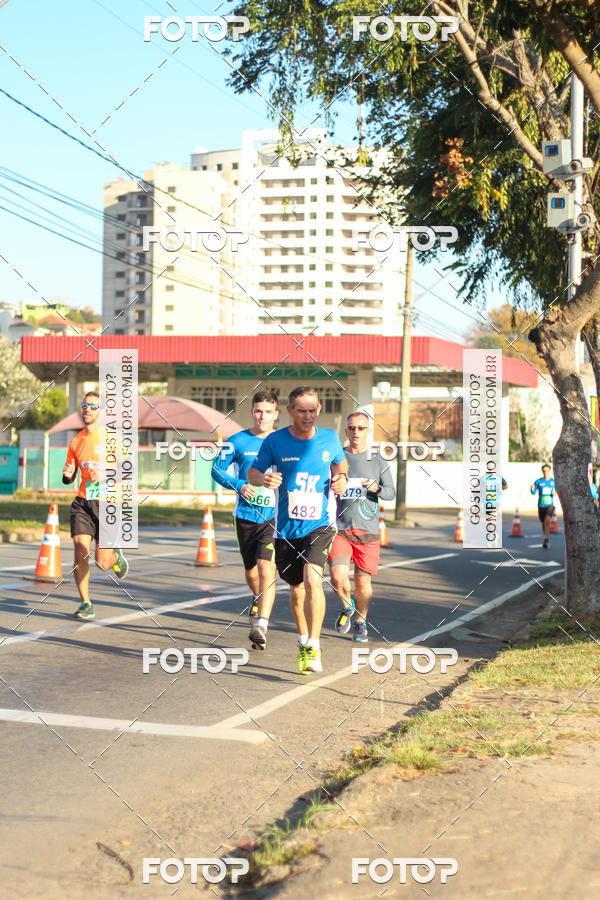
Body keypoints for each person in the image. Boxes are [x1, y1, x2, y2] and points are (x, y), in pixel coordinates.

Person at [248, 386, 348, 674]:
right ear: (290, 411)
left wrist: (340, 478)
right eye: (302, 410)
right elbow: (253, 472)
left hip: (321, 524)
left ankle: (314, 647)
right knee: (296, 590)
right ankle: (303, 641)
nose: (308, 416)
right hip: (286, 529)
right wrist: (264, 478)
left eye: (313, 410)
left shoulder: (329, 438)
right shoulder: (275, 441)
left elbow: (340, 465)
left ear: (319, 410)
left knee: (313, 579)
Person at [211, 391, 279, 650]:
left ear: (276, 414)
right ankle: (257, 596)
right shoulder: (237, 441)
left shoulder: (285, 441)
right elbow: (216, 469)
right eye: (258, 411)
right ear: (252, 412)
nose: (263, 416)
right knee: (251, 571)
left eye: (268, 411)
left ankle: (261, 624)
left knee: (266, 569)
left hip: (274, 517)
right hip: (246, 516)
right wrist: (239, 484)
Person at [328, 411, 395, 643]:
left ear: (368, 431)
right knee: (337, 576)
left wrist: (376, 488)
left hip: (368, 530)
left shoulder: (378, 460)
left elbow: (390, 493)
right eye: (351, 428)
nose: (356, 432)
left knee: (362, 582)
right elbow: (324, 487)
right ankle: (347, 607)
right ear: (346, 431)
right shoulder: (337, 459)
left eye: (361, 428)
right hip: (340, 528)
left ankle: (360, 621)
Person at [62, 391, 128, 620]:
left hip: (109, 505)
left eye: (92, 406)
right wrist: (68, 475)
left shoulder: (113, 439)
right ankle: (85, 603)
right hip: (83, 503)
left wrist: (106, 474)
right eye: (84, 405)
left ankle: (115, 558)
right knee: (80, 553)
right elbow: (69, 473)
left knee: (102, 563)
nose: (87, 409)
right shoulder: (76, 440)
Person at [530, 463, 556, 548]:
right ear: (542, 472)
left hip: (550, 505)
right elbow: (533, 493)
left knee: (547, 519)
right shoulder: (538, 481)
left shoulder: (553, 481)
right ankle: (546, 536)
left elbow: (557, 491)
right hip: (541, 505)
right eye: (544, 471)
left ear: (549, 471)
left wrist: (555, 493)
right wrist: (532, 488)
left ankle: (546, 539)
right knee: (543, 523)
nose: (545, 473)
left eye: (547, 471)